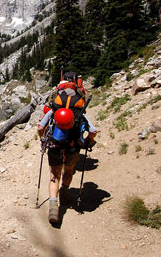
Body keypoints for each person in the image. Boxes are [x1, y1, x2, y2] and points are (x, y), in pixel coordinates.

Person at [37, 89, 97, 224]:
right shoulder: (79, 114)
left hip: (54, 146)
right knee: (69, 170)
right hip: (73, 147)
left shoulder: (53, 112)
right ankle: (64, 190)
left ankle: (53, 206)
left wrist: (42, 139)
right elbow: (93, 131)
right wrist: (89, 140)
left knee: (54, 175)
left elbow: (40, 128)